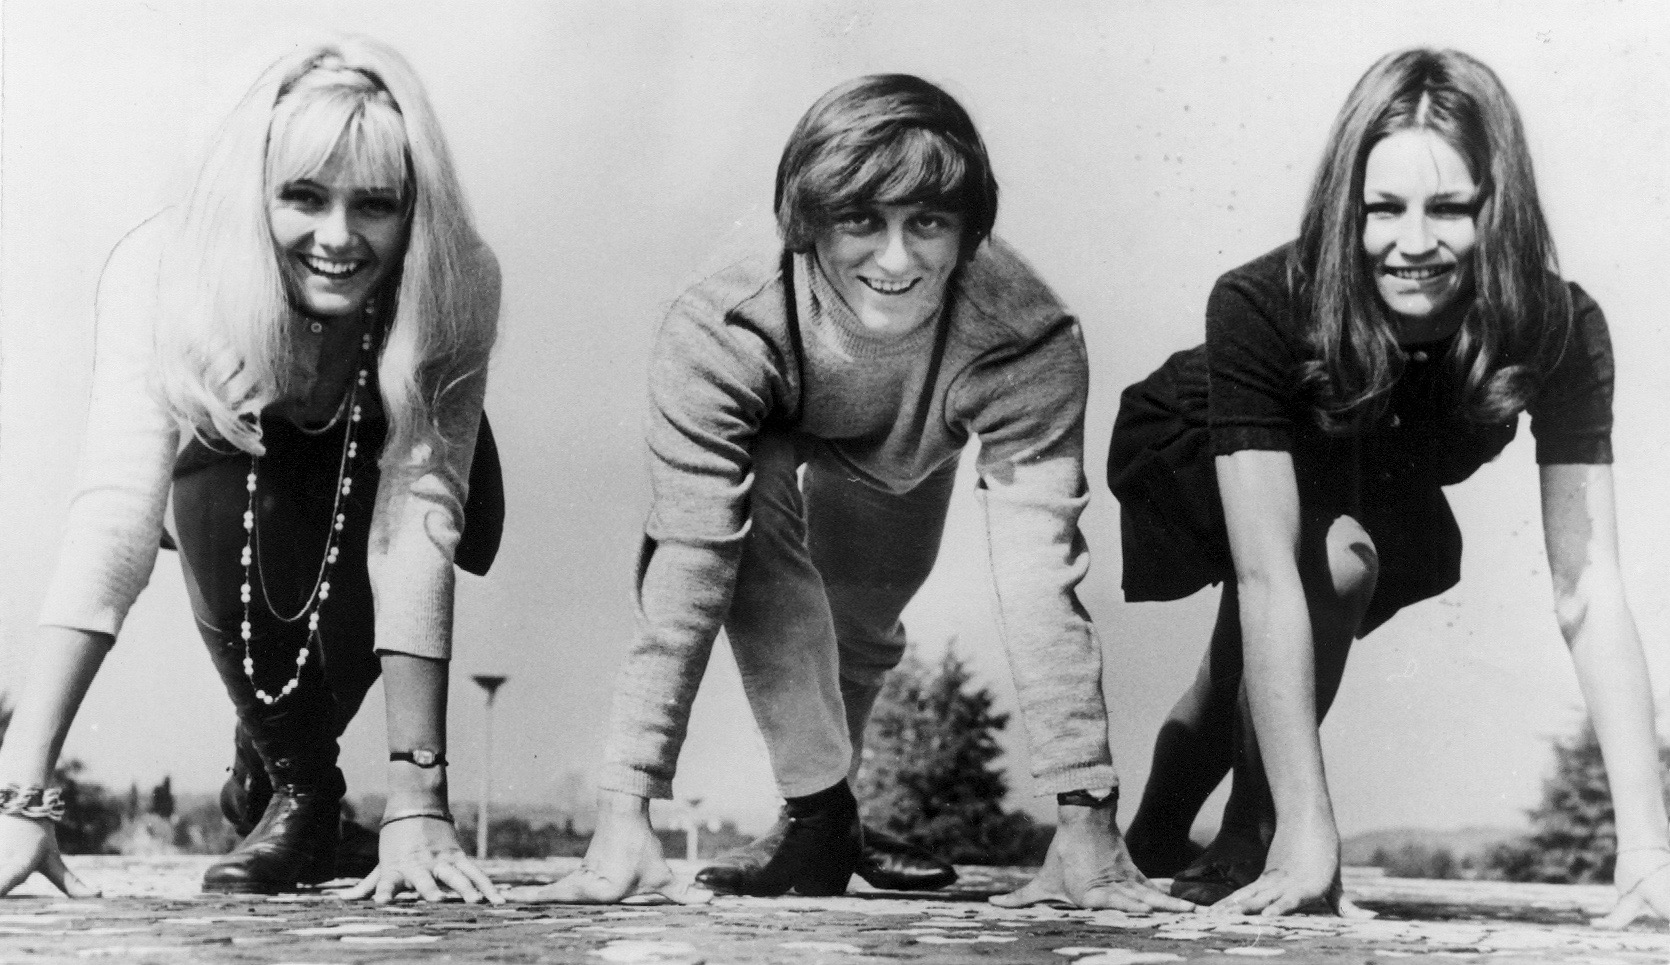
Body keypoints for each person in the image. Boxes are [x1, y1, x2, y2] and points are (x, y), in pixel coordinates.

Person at [539, 73, 1194, 913]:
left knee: (861, 626)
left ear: (970, 231)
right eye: (860, 220)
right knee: (743, 508)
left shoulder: (1028, 335)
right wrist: (623, 811)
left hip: (908, 450)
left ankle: (823, 820)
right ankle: (821, 809)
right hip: (775, 418)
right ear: (807, 221)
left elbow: (1042, 581)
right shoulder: (719, 320)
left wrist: (1087, 817)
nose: (895, 259)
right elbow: (687, 564)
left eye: (928, 222)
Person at [1108, 47, 1670, 923]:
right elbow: (1268, 576)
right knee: (1331, 568)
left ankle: (1155, 833)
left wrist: (1648, 850)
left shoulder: (1557, 325)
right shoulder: (1260, 302)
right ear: (1347, 204)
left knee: (1245, 659)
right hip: (1211, 440)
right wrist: (1305, 832)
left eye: (1449, 208)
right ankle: (1257, 831)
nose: (1413, 243)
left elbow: (1588, 586)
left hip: (1371, 460)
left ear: (1499, 206)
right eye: (1383, 208)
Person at [0, 36, 504, 904]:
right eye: (303, 197)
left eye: (375, 205)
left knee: (405, 512)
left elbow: (417, 524)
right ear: (254, 192)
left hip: (386, 471)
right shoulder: (165, 269)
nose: (338, 237)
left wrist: (418, 800)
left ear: (414, 211)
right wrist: (20, 797)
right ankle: (299, 780)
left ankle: (277, 773)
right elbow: (115, 521)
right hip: (231, 475)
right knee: (217, 450)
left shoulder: (458, 276)